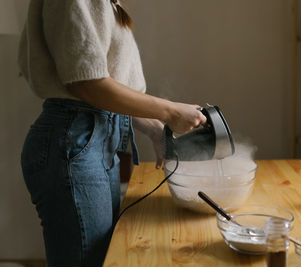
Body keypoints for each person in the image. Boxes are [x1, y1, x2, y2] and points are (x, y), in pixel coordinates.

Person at [18, 0, 207, 266]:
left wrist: (154, 128)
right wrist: (171, 112)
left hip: (92, 142)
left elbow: (107, 88)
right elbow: (87, 84)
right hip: (73, 142)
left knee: (102, 257)